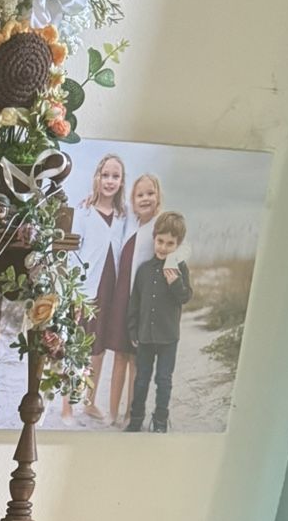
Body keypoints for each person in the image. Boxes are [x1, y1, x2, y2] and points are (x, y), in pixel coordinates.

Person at [65, 153, 127, 420]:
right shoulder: (84, 212)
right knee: (77, 346)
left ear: (121, 181)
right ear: (97, 178)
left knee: (98, 348)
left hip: (110, 289)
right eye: (105, 175)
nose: (110, 181)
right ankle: (68, 404)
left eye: (115, 176)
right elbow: (72, 253)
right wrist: (74, 293)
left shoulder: (123, 216)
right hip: (87, 289)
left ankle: (89, 402)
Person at [99, 171, 161, 426]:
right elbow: (107, 206)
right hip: (122, 299)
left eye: (150, 193)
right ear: (133, 200)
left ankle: (131, 413)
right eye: (140, 195)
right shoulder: (129, 223)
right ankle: (113, 412)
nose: (145, 198)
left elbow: (181, 245)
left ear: (158, 197)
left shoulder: (159, 225)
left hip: (142, 302)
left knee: (136, 359)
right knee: (119, 357)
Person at [126, 209, 192, 433]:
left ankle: (161, 421)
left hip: (168, 337)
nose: (163, 247)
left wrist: (175, 283)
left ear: (178, 245)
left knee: (163, 380)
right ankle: (136, 420)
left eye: (170, 243)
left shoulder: (179, 269)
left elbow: (185, 297)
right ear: (154, 238)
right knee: (141, 380)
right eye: (160, 241)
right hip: (145, 336)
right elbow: (134, 303)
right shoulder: (144, 270)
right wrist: (133, 330)